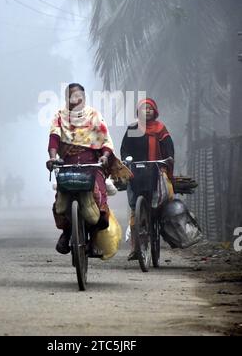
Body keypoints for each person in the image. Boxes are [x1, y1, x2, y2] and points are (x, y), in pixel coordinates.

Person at [46, 83, 132, 255]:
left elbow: (106, 141)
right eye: (73, 96)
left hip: (92, 164)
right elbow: (54, 138)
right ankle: (66, 233)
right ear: (67, 98)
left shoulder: (94, 115)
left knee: (98, 200)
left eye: (80, 96)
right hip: (68, 164)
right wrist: (52, 157)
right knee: (61, 201)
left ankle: (93, 241)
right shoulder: (59, 116)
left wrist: (105, 156)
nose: (76, 99)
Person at [120, 98, 174, 260]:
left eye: (150, 108)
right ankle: (136, 247)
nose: (147, 111)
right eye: (144, 108)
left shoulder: (160, 128)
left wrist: (167, 161)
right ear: (138, 112)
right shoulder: (133, 128)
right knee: (134, 207)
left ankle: (156, 226)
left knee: (158, 203)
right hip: (135, 170)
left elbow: (168, 148)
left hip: (155, 170)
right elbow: (124, 148)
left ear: (155, 111)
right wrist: (126, 160)